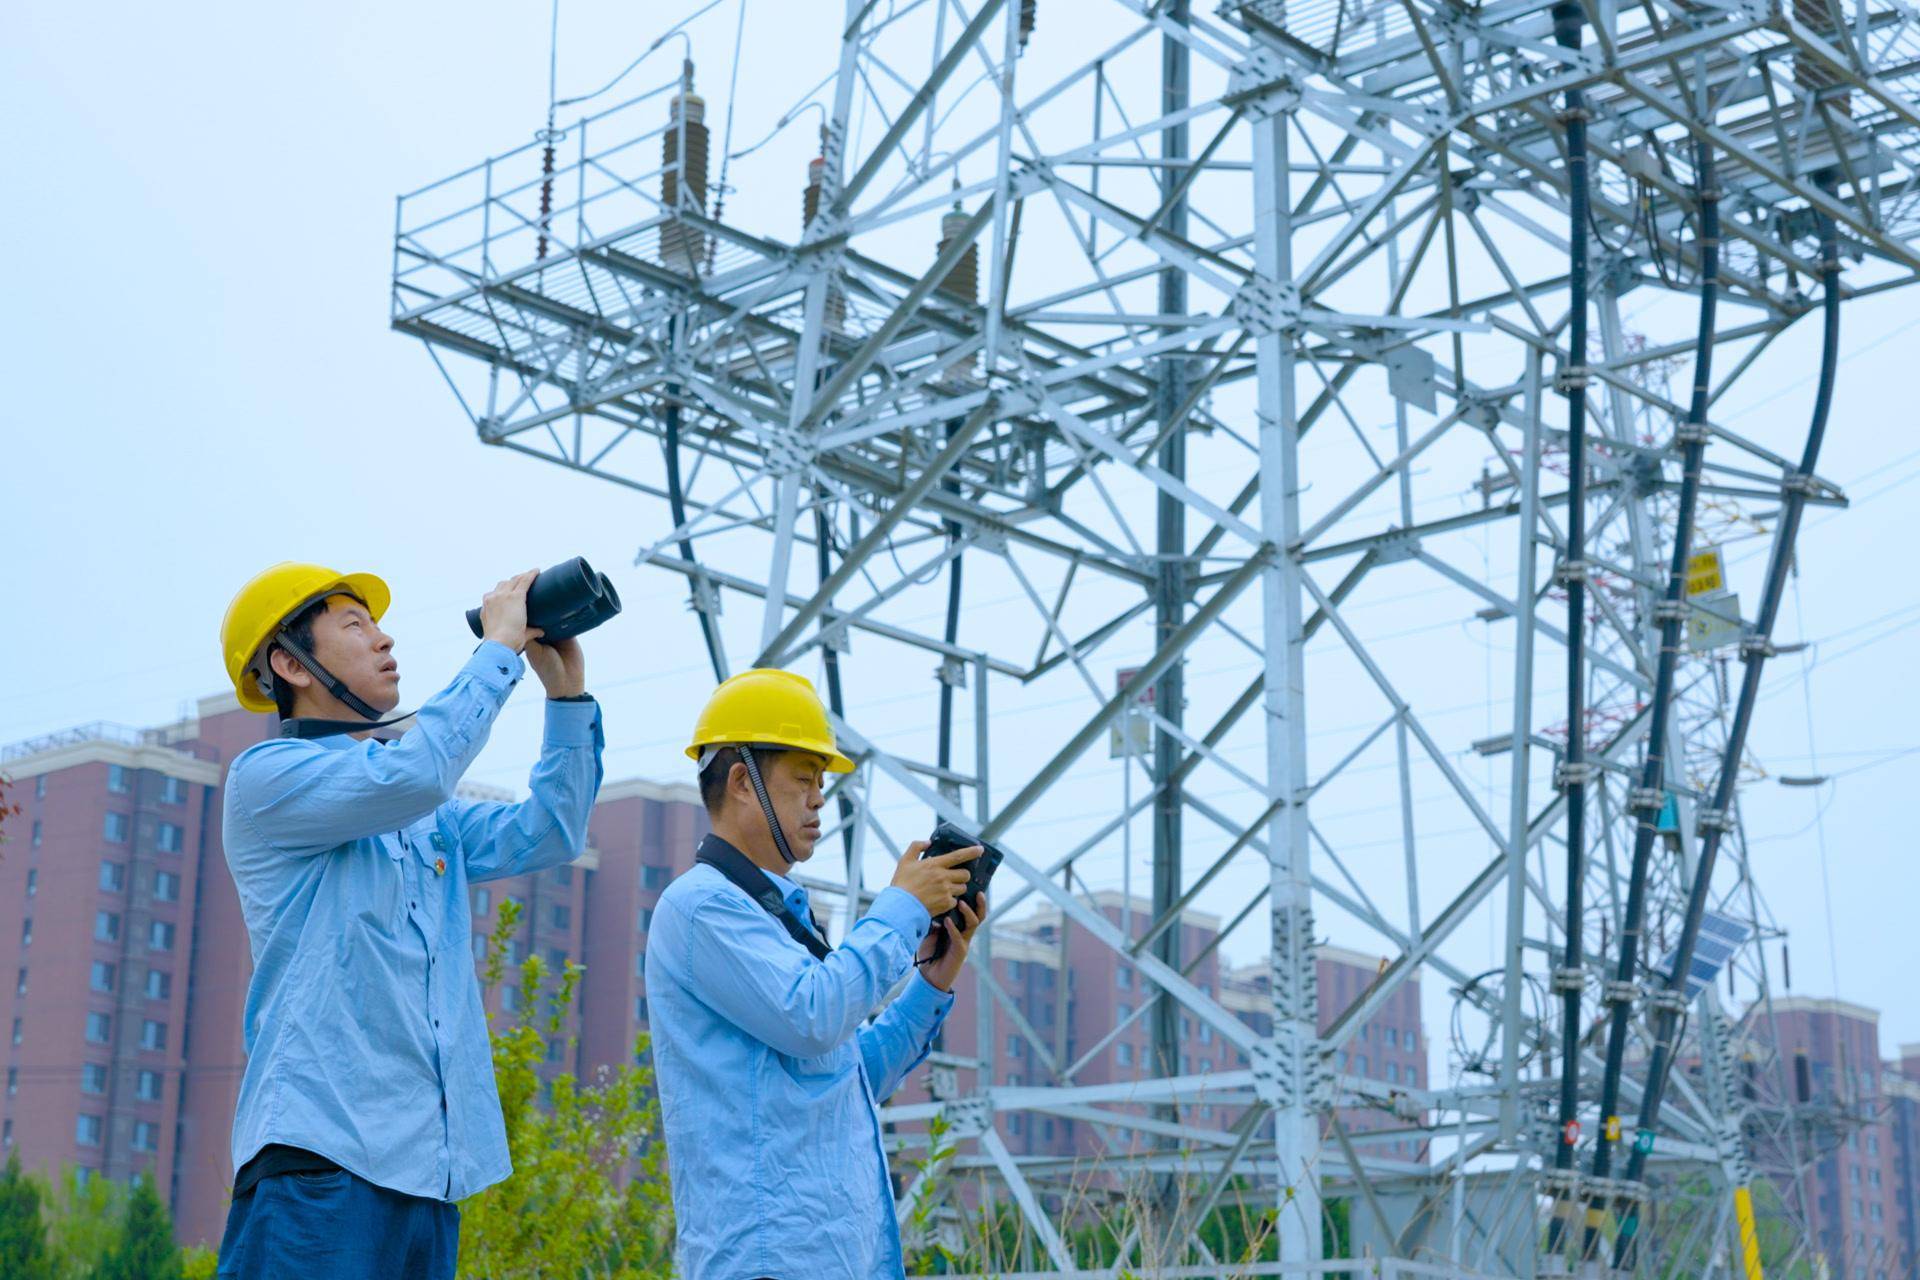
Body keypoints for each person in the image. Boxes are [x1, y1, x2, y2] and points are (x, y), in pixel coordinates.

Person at [212, 562, 605, 1280]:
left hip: (429, 1180)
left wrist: (567, 697)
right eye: (356, 626)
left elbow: (549, 833)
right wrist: (497, 651)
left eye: (381, 625)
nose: (385, 641)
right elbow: (415, 775)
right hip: (319, 1168)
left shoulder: (419, 809)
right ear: (287, 663)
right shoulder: (267, 780)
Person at [646, 668, 988, 1278]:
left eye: (821, 782)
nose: (818, 799)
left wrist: (933, 977)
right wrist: (905, 906)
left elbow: (852, 1076)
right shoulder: (701, 907)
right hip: (766, 1260)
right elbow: (815, 1016)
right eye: (803, 779)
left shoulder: (777, 913)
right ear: (742, 783)